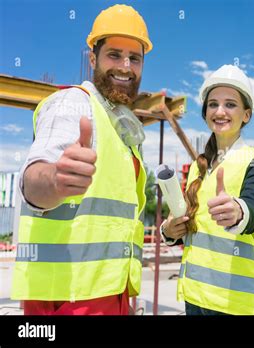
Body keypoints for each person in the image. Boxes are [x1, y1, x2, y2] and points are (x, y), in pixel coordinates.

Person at [11, 4, 153, 315]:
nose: (126, 66)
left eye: (135, 58)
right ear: (93, 59)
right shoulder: (73, 104)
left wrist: (122, 300)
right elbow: (33, 180)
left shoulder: (119, 127)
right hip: (65, 300)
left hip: (108, 294)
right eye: (114, 55)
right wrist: (56, 181)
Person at [160, 65, 254, 315]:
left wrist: (238, 212)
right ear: (205, 114)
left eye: (230, 104)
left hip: (239, 303)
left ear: (246, 115)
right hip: (196, 296)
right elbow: (192, 227)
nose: (220, 111)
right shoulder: (197, 167)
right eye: (213, 104)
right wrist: (169, 231)